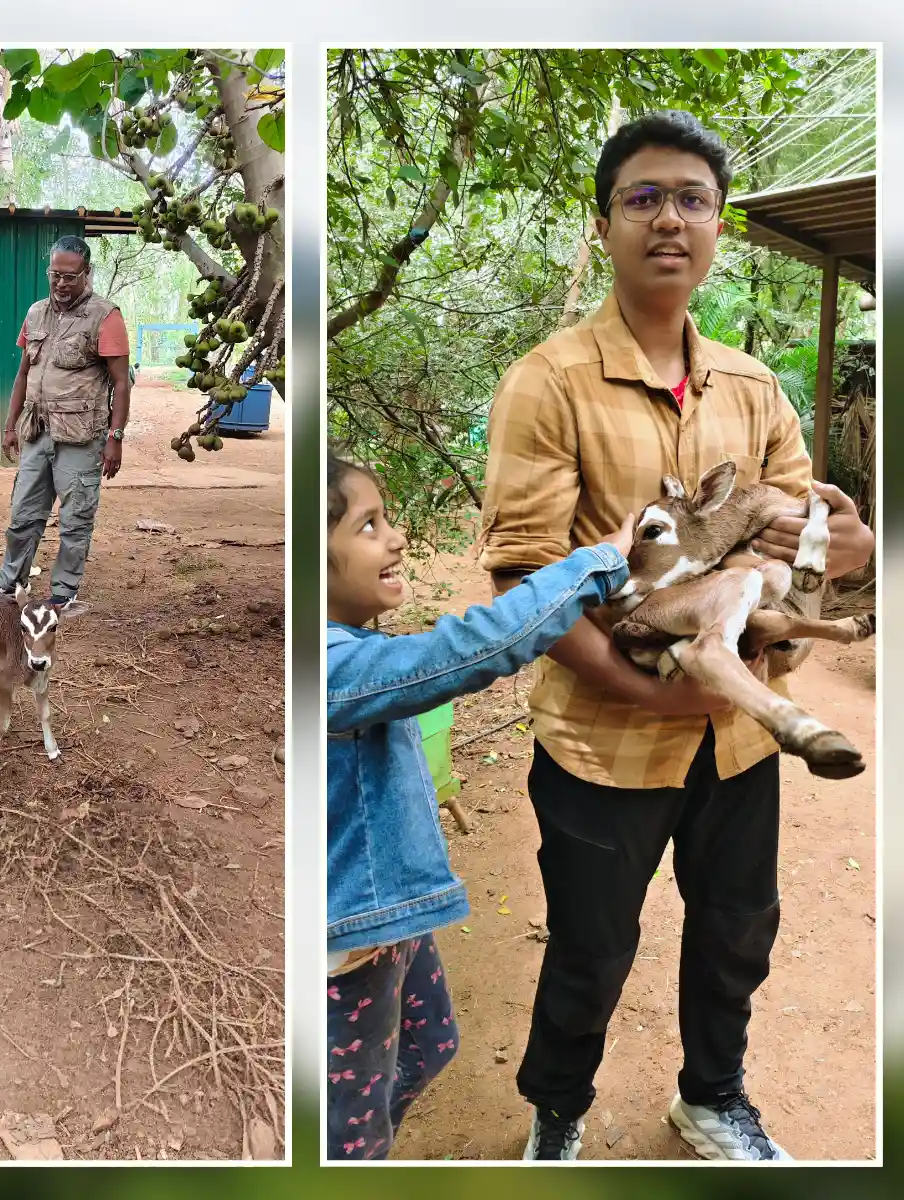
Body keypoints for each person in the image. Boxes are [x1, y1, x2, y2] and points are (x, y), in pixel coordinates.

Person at [478, 110, 874, 1161]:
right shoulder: (547, 382)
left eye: (691, 199)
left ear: (720, 226)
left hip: (741, 741)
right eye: (642, 197)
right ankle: (557, 1112)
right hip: (606, 742)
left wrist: (847, 544)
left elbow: (806, 531)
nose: (669, 219)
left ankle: (713, 1095)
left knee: (738, 931)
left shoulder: (751, 386)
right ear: (603, 223)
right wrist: (645, 692)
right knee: (592, 947)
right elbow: (524, 572)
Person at [326, 453, 635, 1161]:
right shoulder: (331, 667)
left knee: (431, 1046)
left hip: (393, 920)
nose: (396, 537)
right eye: (368, 525)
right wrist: (598, 562)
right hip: (345, 954)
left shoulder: (354, 648)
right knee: (351, 1129)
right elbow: (473, 647)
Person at [0, 235, 132, 610]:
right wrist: (10, 425)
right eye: (55, 275)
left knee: (75, 520)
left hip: (81, 439)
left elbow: (121, 383)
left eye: (70, 277)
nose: (61, 283)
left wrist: (115, 437)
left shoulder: (106, 316)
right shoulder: (36, 313)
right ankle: (9, 585)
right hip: (37, 434)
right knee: (23, 516)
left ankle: (64, 594)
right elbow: (23, 374)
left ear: (86, 274)